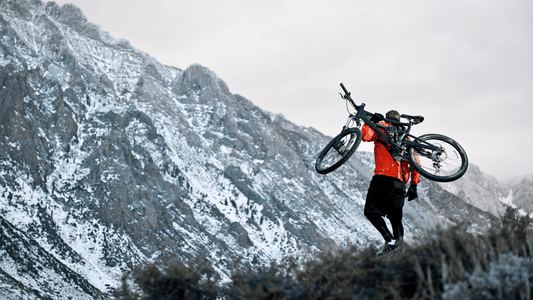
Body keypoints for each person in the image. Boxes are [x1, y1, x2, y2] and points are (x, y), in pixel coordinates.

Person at [362, 110, 420, 257]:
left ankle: (389, 240)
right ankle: (399, 247)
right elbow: (416, 163)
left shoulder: (382, 127)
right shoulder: (406, 137)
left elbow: (365, 136)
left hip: (383, 177)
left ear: (387, 118)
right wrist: (414, 184)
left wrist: (372, 122)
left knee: (370, 211)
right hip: (400, 183)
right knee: (395, 217)